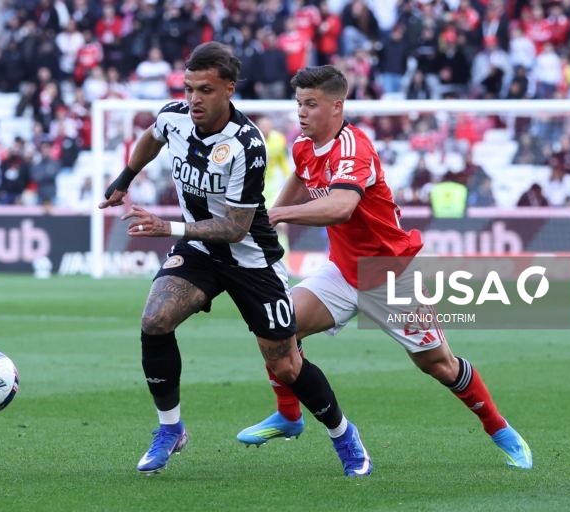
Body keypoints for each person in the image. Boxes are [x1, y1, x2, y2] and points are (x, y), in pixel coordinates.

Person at [236, 65, 533, 471]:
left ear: (337, 106)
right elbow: (299, 182)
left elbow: (341, 207)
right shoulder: (305, 146)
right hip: (342, 272)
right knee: (275, 326)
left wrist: (278, 214)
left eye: (311, 104)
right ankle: (289, 416)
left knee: (438, 364)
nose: (301, 113)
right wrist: (271, 216)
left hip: (388, 275)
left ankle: (498, 427)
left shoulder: (355, 149)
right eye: (298, 104)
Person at [99, 43, 369, 476]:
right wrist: (125, 177)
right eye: (189, 89)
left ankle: (343, 434)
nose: (194, 99)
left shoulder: (247, 145)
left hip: (250, 258)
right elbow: (152, 137)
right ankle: (171, 429)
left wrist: (167, 227)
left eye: (205, 90)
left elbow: (234, 228)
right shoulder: (174, 117)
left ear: (229, 88)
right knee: (155, 320)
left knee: (285, 363)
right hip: (200, 249)